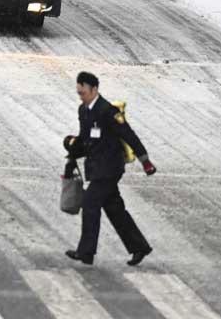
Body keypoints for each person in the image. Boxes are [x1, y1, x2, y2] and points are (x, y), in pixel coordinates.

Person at [63, 71, 156, 266]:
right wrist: (72, 154)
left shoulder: (108, 111)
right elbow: (86, 139)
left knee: (90, 203)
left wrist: (145, 161)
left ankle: (86, 252)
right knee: (115, 208)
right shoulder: (84, 110)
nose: (81, 96)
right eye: (79, 93)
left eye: (84, 92)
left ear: (94, 89)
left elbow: (128, 134)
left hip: (110, 168)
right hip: (96, 167)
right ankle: (139, 247)